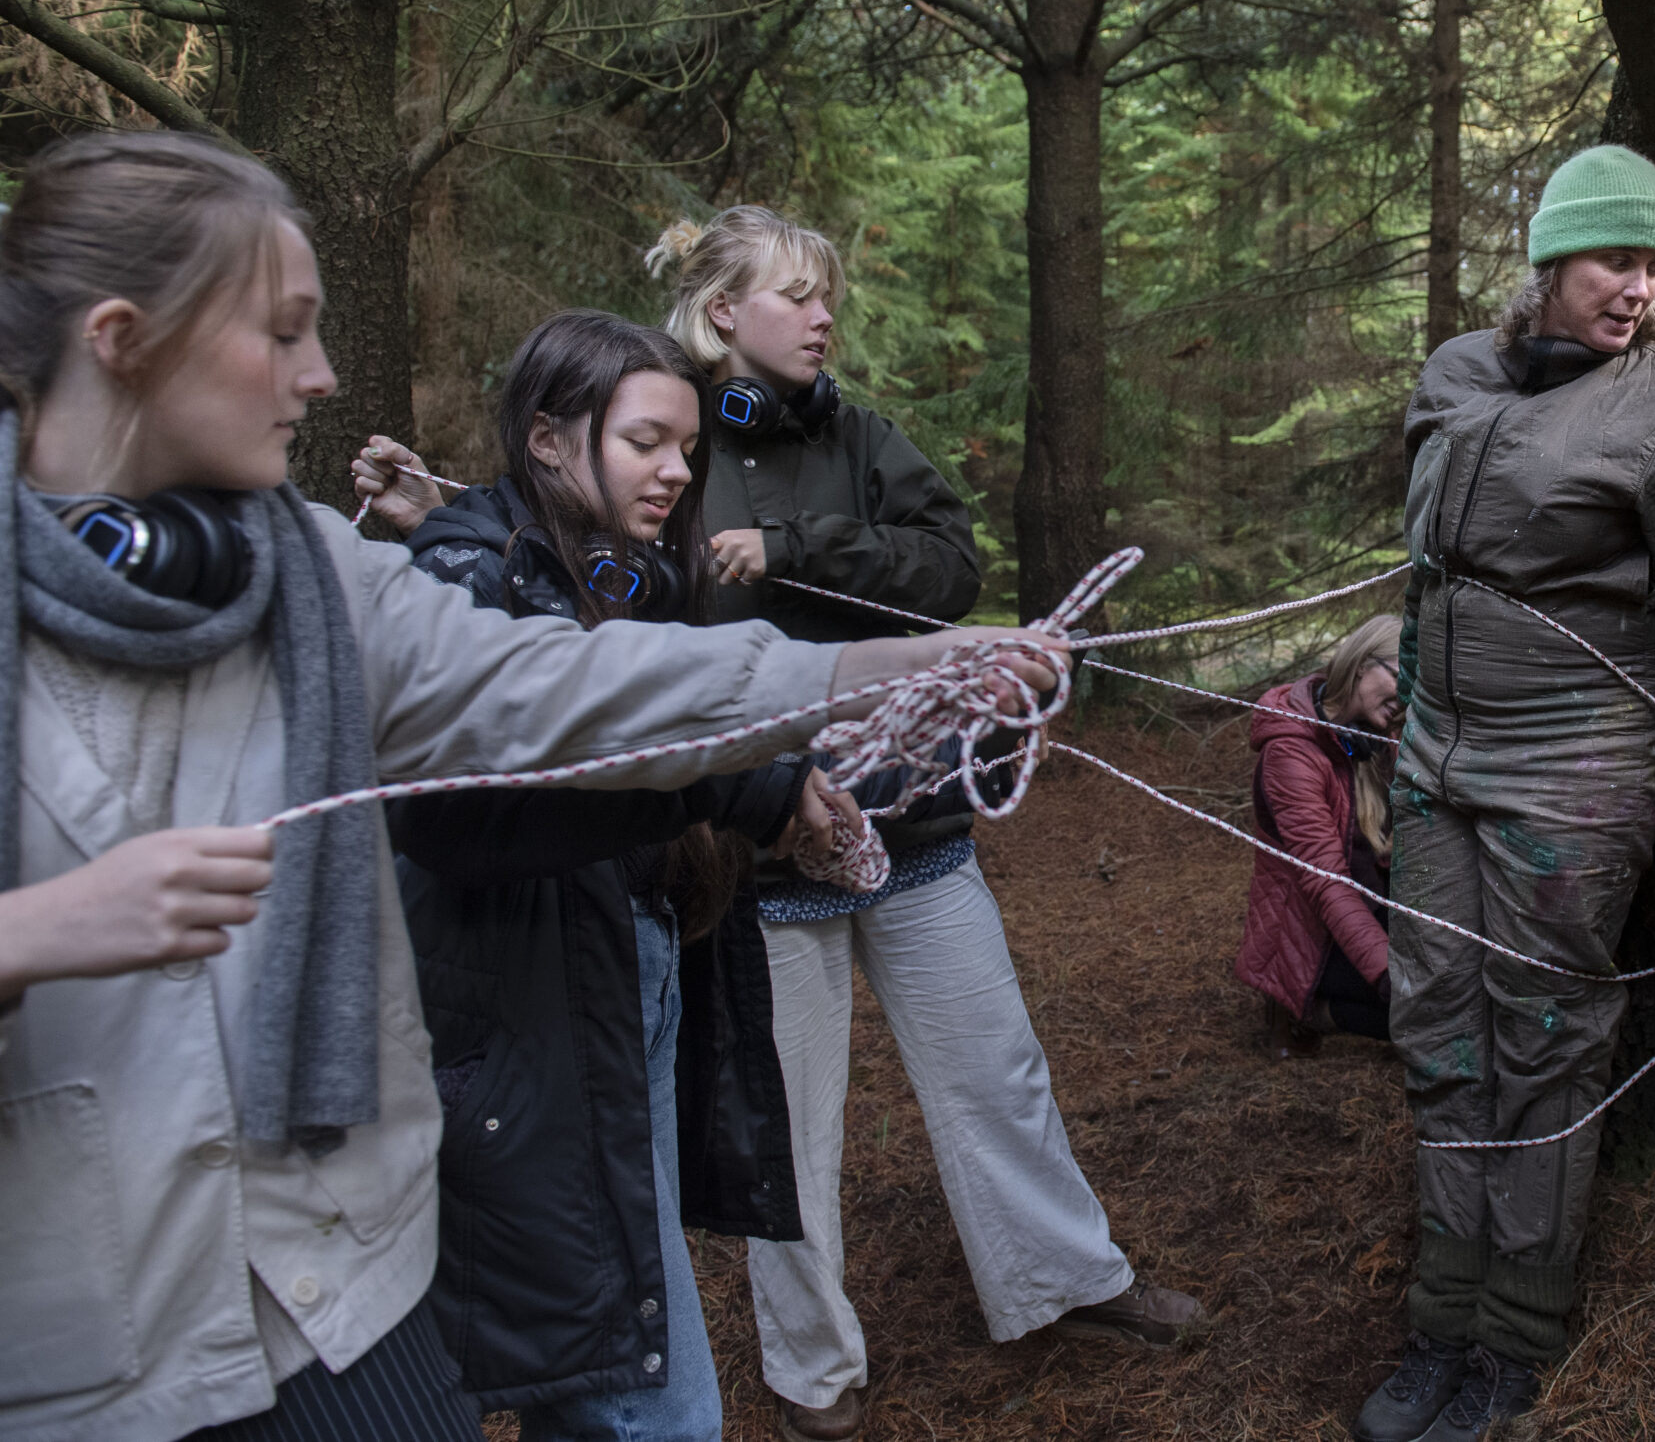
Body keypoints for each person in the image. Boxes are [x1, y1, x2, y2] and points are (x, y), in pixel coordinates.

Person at [0, 133, 1059, 1442]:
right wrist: (36, 933)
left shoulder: (320, 576)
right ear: (122, 340)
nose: (320, 373)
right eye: (279, 332)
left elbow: (562, 684)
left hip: (351, 1299)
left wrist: (869, 672)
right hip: (84, 1351)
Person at [652, 207, 1202, 1441]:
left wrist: (794, 547)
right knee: (790, 1125)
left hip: (913, 818)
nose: (823, 316)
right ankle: (812, 1371)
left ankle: (1066, 1282)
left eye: (828, 295)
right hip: (758, 843)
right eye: (797, 294)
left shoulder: (857, 434)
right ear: (724, 312)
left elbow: (948, 569)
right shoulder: (668, 443)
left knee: (994, 1067)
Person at [354, 310, 846, 1439]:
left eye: (688, 448)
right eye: (644, 442)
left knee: (613, 1341)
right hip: (522, 1026)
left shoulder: (629, 570)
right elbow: (478, 797)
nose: (676, 471)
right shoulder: (463, 573)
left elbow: (662, 714)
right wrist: (737, 780)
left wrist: (782, 777)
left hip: (627, 982)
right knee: (642, 1401)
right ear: (547, 438)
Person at [1357, 146, 1655, 1442]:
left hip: (1577, 765)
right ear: (1550, 260)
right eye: (1614, 261)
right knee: (1436, 1026)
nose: (1638, 288)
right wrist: (1404, 698)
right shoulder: (1455, 374)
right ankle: (1440, 1315)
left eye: (1653, 267)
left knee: (1541, 1036)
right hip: (1437, 761)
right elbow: (1425, 574)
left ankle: (1513, 1339)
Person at [1235, 612, 1403, 1055]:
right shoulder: (1290, 753)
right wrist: (1389, 973)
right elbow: (1326, 883)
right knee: (1428, 1013)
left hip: (1371, 904)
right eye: (1400, 676)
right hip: (1313, 934)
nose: (1406, 695)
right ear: (1362, 664)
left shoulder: (1375, 736)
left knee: (1457, 988)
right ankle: (1313, 1012)